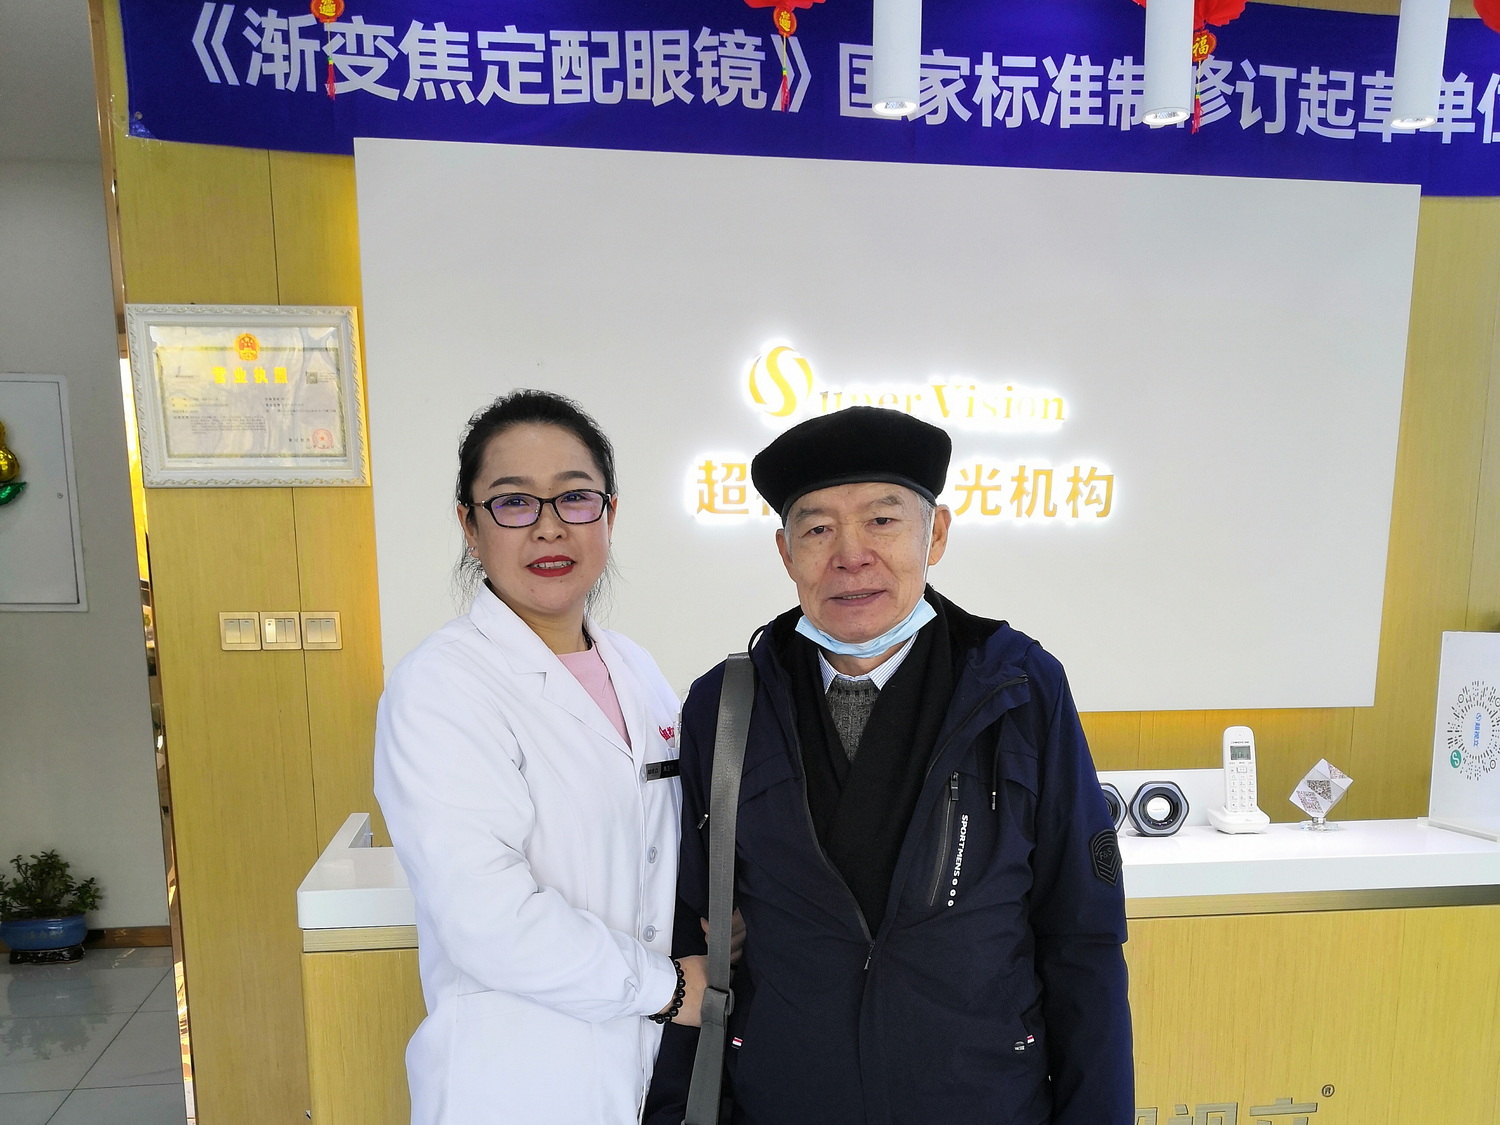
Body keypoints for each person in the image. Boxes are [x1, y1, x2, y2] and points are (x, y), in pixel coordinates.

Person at [654, 406, 1133, 1125]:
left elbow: (1082, 939)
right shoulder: (725, 707)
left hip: (982, 1099)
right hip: (787, 1100)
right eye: (818, 529)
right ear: (785, 552)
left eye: (882, 521)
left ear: (935, 534)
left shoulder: (1017, 688)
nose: (851, 555)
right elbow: (689, 937)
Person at [374, 390, 708, 1125]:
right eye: (513, 502)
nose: (549, 526)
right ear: (470, 526)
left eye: (575, 497)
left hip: (651, 1072)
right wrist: (672, 990)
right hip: (518, 1078)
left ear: (610, 515)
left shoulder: (637, 670)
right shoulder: (442, 684)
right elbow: (486, 917)